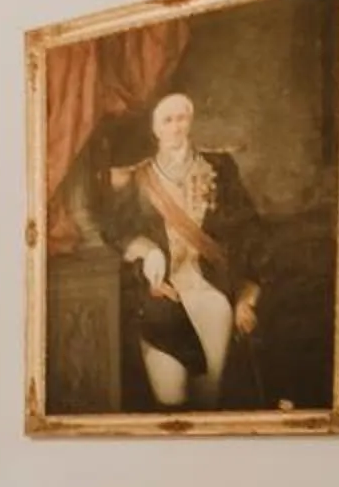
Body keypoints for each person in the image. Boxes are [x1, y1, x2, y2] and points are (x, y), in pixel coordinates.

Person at [94, 93, 264, 409]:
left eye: (181, 118)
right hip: (160, 298)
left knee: (208, 397)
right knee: (170, 398)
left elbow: (248, 230)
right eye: (167, 121)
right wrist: (146, 250)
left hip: (211, 292)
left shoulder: (220, 168)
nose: (176, 128)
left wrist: (246, 295)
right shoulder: (138, 177)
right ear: (155, 128)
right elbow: (113, 229)